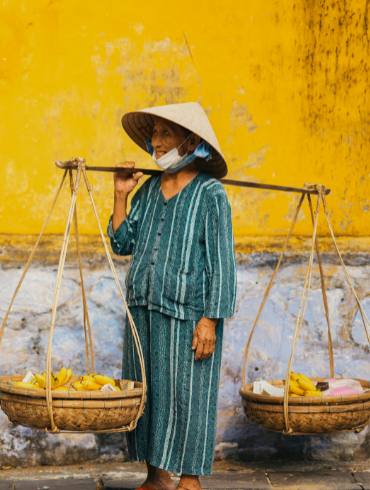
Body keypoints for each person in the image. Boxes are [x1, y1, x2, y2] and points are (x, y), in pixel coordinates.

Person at [109, 102, 237, 490]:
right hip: (143, 308)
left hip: (189, 314)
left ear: (192, 141)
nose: (157, 141)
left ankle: (190, 480)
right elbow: (122, 243)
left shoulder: (210, 193)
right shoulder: (148, 190)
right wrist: (120, 195)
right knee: (149, 395)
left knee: (188, 396)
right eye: (155, 133)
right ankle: (157, 476)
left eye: (166, 133)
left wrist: (210, 320)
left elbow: (222, 263)